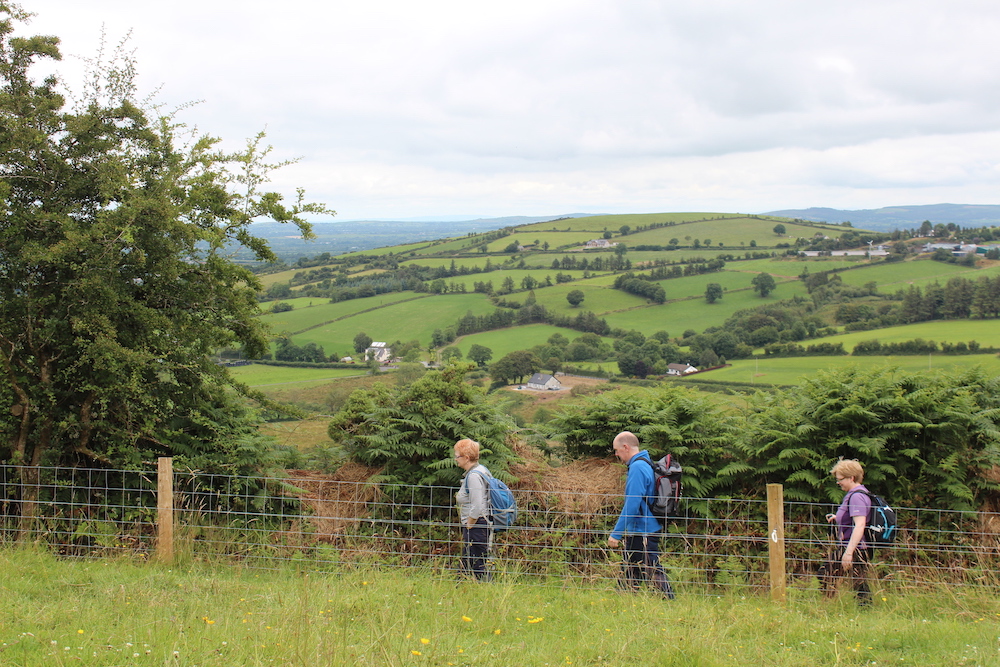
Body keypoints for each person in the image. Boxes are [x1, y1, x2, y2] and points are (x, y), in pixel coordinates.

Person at [607, 431, 675, 598]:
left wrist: (616, 534)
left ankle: (668, 599)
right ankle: (624, 599)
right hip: (646, 526)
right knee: (632, 568)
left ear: (626, 447)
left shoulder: (637, 467)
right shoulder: (645, 463)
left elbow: (632, 504)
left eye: (617, 450)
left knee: (650, 567)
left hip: (642, 528)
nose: (616, 454)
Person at [823, 458, 873, 604]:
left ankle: (828, 604)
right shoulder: (856, 494)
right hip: (852, 546)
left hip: (854, 547)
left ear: (851, 478)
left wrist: (849, 553)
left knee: (826, 573)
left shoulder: (857, 496)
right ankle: (864, 609)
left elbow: (860, 524)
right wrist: (837, 517)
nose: (838, 482)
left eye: (840, 479)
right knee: (858, 582)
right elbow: (852, 517)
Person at [454, 438, 492, 581]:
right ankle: (462, 589)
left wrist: (469, 525)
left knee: (477, 564)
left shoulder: (474, 476)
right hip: (479, 524)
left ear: (467, 458)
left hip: (477, 525)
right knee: (470, 562)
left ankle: (483, 589)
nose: (456, 459)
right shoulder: (481, 470)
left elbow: (477, 505)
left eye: (457, 456)